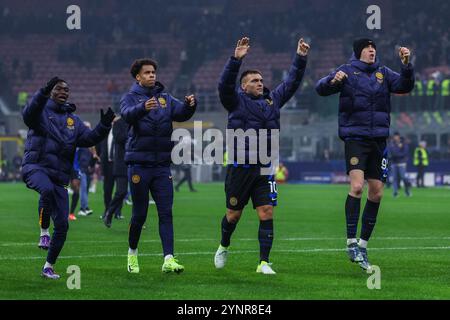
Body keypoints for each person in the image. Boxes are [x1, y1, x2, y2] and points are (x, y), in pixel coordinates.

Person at [315, 38, 414, 270]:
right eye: (368, 49)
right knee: (357, 187)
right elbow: (320, 89)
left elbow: (404, 86)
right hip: (355, 138)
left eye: (374, 49)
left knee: (377, 193)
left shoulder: (383, 72)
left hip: (378, 140)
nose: (372, 51)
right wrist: (332, 80)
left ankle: (362, 246)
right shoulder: (346, 71)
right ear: (360, 52)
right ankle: (350, 242)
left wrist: (407, 66)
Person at [214, 37, 309, 275]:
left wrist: (300, 58)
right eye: (254, 80)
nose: (260, 83)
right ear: (244, 86)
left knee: (266, 211)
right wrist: (236, 60)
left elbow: (292, 82)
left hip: (265, 167)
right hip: (240, 168)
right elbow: (224, 86)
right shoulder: (235, 102)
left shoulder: (272, 101)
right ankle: (224, 245)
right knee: (233, 215)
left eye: (261, 80)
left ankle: (263, 262)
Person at [21, 76, 114, 279]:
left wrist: (104, 126)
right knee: (45, 189)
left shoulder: (74, 120)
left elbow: (89, 139)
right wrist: (42, 91)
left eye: (67, 90)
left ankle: (48, 266)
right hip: (35, 166)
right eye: (59, 89)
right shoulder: (41, 110)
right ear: (51, 92)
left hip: (59, 177)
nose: (64, 92)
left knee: (63, 225)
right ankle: (44, 232)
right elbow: (28, 115)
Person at [120, 58, 196, 274]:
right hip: (139, 165)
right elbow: (126, 115)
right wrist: (142, 108)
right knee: (139, 214)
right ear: (138, 77)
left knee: (166, 212)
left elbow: (181, 113)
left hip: (162, 166)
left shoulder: (165, 98)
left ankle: (168, 259)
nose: (152, 75)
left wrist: (191, 105)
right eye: (147, 73)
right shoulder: (130, 98)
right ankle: (132, 253)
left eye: (154, 72)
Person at [103, 116, 128, 227]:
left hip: (137, 163)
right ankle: (110, 212)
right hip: (122, 164)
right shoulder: (118, 123)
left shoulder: (140, 120)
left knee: (140, 194)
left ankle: (138, 221)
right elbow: (119, 138)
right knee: (121, 192)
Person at [389, 132, 411, 197]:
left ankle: (407, 190)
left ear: (398, 136)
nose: (395, 137)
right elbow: (392, 153)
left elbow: (405, 152)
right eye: (394, 136)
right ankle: (395, 192)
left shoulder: (403, 143)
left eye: (396, 136)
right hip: (394, 163)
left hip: (402, 163)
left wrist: (397, 154)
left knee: (403, 177)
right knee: (395, 178)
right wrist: (399, 153)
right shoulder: (391, 144)